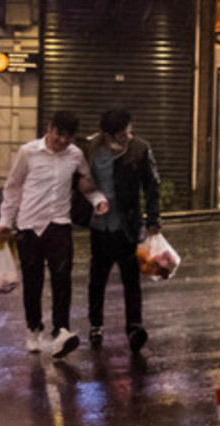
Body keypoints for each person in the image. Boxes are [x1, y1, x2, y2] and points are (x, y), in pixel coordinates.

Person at [0, 111, 107, 359]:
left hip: (59, 224)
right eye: (59, 136)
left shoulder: (76, 155)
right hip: (29, 226)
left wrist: (98, 200)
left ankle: (61, 331)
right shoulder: (28, 152)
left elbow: (85, 184)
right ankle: (33, 329)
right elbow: (12, 188)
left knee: (62, 281)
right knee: (32, 282)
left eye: (68, 138)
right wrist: (5, 220)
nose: (63, 142)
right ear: (50, 129)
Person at [82, 107, 161, 353]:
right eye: (123, 132)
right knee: (97, 279)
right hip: (99, 227)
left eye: (129, 130)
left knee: (131, 280)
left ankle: (134, 326)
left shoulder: (139, 148)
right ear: (109, 134)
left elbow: (152, 184)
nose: (128, 135)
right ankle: (96, 324)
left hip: (127, 225)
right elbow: (79, 181)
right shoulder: (91, 149)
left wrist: (152, 219)